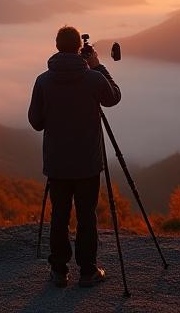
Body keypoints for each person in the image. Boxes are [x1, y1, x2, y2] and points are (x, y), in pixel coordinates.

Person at [28, 25, 121, 288]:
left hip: (57, 163)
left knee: (59, 215)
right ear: (79, 48)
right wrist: (98, 66)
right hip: (88, 162)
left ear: (57, 46)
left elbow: (36, 121)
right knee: (86, 216)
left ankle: (59, 271)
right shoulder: (92, 78)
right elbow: (114, 97)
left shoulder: (43, 80)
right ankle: (88, 272)